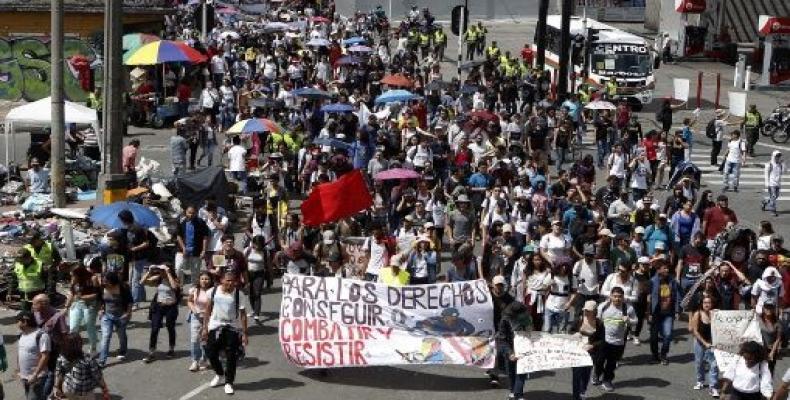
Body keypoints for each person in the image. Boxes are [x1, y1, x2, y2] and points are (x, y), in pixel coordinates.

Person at [202, 271, 249, 395]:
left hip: (232, 327)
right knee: (210, 352)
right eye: (228, 280)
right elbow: (207, 310)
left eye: (233, 281)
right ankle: (219, 374)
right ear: (222, 280)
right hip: (215, 326)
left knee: (231, 357)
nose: (231, 283)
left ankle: (229, 382)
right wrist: (204, 328)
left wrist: (244, 334)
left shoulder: (239, 294)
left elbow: (243, 315)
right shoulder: (213, 291)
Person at [594, 286, 637, 392]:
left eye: (620, 297)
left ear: (623, 297)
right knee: (599, 360)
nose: (617, 299)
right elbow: (597, 320)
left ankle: (607, 380)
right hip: (604, 339)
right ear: (610, 296)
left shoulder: (628, 308)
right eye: (615, 296)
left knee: (612, 363)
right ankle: (596, 374)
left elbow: (636, 320)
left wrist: (629, 321)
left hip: (619, 341)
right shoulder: (603, 306)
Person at [141, 264, 180, 363]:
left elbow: (174, 287)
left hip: (171, 307)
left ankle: (171, 349)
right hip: (158, 306)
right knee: (154, 329)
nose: (160, 272)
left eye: (162, 270)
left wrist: (168, 272)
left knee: (170, 327)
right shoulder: (158, 278)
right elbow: (142, 282)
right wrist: (149, 271)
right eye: (160, 270)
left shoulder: (174, 279)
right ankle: (151, 352)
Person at [53, 333, 109, 400]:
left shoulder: (62, 356)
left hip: (68, 390)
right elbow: (97, 376)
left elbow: (58, 372)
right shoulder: (88, 359)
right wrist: (104, 388)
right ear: (80, 344)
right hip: (85, 392)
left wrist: (56, 386)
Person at [647, 260, 681, 365]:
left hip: (668, 313)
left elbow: (676, 297)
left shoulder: (672, 281)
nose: (667, 270)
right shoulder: (652, 281)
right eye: (664, 268)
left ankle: (663, 355)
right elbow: (648, 299)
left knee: (668, 334)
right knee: (653, 337)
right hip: (655, 313)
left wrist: (677, 311)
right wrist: (649, 313)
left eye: (667, 268)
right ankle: (655, 356)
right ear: (658, 270)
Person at [496, 301, 532, 400]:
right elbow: (502, 339)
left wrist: (529, 329)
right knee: (511, 372)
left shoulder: (526, 318)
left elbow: (532, 333)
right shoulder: (505, 320)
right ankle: (512, 391)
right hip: (510, 347)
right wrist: (510, 352)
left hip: (523, 348)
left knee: (522, 372)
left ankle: (518, 394)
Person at [97, 271, 132, 369]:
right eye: (103, 281)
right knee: (106, 336)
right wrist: (100, 310)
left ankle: (123, 350)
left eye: (107, 281)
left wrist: (128, 313)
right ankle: (102, 361)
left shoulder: (123, 287)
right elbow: (100, 300)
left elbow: (129, 301)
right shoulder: (102, 288)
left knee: (121, 335)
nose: (105, 283)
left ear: (113, 281)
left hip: (121, 316)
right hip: (107, 316)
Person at [572, 300, 605, 400]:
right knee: (576, 375)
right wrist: (575, 334)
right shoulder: (579, 320)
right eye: (585, 310)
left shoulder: (599, 323)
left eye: (589, 310)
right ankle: (576, 396)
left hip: (591, 353)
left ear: (594, 311)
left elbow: (602, 340)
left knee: (586, 374)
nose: (586, 312)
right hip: (578, 351)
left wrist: (592, 345)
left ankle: (583, 391)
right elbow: (570, 331)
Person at [16, 310, 51, 400]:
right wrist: (18, 370)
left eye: (18, 321)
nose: (16, 323)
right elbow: (20, 352)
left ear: (25, 322)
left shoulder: (41, 335)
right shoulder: (21, 335)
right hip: (25, 376)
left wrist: (35, 374)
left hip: (37, 377)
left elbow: (45, 356)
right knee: (29, 397)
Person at [691, 295, 720, 398]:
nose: (707, 304)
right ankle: (700, 380)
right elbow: (695, 331)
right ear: (702, 304)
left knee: (714, 365)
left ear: (712, 304)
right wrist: (704, 343)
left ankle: (713, 387)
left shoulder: (715, 314)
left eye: (709, 302)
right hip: (699, 342)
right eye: (705, 303)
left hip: (712, 343)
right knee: (699, 363)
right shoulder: (697, 314)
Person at [176, 205, 210, 286]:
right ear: (185, 212)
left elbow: (205, 237)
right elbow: (178, 236)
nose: (191, 215)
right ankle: (180, 286)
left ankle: (194, 289)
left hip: (196, 251)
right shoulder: (181, 222)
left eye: (193, 213)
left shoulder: (200, 222)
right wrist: (183, 248)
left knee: (195, 272)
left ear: (196, 213)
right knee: (178, 268)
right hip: (182, 250)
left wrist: (204, 250)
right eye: (189, 213)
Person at [187, 271, 213, 372]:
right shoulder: (194, 290)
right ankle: (194, 360)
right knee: (195, 339)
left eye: (207, 279)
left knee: (206, 339)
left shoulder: (213, 291)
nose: (204, 281)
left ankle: (204, 360)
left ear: (210, 280)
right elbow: (189, 301)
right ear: (199, 280)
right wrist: (194, 310)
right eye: (202, 279)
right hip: (196, 317)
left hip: (209, 318)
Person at [763, 151, 785, 217]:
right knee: (773, 196)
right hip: (771, 184)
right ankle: (772, 210)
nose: (778, 158)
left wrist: (783, 164)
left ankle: (765, 202)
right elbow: (766, 174)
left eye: (779, 157)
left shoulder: (780, 164)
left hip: (778, 183)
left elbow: (784, 171)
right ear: (773, 157)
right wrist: (767, 183)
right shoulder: (769, 164)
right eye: (776, 157)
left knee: (775, 196)